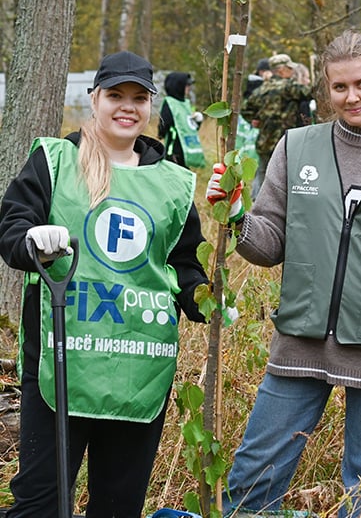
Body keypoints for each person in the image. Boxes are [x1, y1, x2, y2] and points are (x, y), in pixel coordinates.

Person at [206, 30, 361, 517]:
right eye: (339, 87)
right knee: (253, 476)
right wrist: (237, 217)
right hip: (302, 338)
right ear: (326, 87)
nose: (351, 96)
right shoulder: (297, 148)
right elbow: (270, 242)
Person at [0, 51, 209, 516]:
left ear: (151, 105)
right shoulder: (56, 160)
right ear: (95, 99)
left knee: (119, 505)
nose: (126, 107)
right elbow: (12, 227)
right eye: (115, 95)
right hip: (63, 365)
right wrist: (32, 240)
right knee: (40, 503)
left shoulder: (172, 182)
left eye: (138, 97)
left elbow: (182, 262)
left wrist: (203, 299)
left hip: (138, 370)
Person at [241, 52, 312, 199]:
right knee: (285, 177)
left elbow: (245, 109)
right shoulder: (288, 87)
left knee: (263, 174)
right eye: (289, 68)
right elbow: (309, 93)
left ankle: (257, 204)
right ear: (281, 70)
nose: (292, 72)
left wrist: (254, 120)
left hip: (264, 141)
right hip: (285, 142)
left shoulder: (261, 89)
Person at [158, 71, 206, 169]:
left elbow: (190, 127)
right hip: (174, 151)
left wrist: (198, 121)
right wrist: (161, 133)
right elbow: (163, 125)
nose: (189, 88)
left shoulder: (185, 103)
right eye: (187, 85)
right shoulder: (170, 103)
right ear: (178, 86)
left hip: (186, 150)